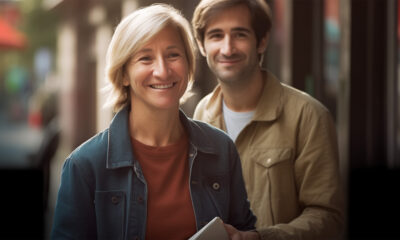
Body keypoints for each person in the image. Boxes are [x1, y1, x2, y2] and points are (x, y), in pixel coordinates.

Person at [51, 4, 256, 240]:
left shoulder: (221, 149)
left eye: (173, 55)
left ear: (188, 65)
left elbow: (244, 227)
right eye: (145, 58)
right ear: (124, 74)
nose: (162, 70)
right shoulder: (84, 165)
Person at [192, 0, 345, 239]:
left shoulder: (308, 116)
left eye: (240, 34)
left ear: (262, 41)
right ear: (201, 45)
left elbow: (327, 218)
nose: (227, 48)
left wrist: (262, 237)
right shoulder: (202, 114)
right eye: (216, 35)